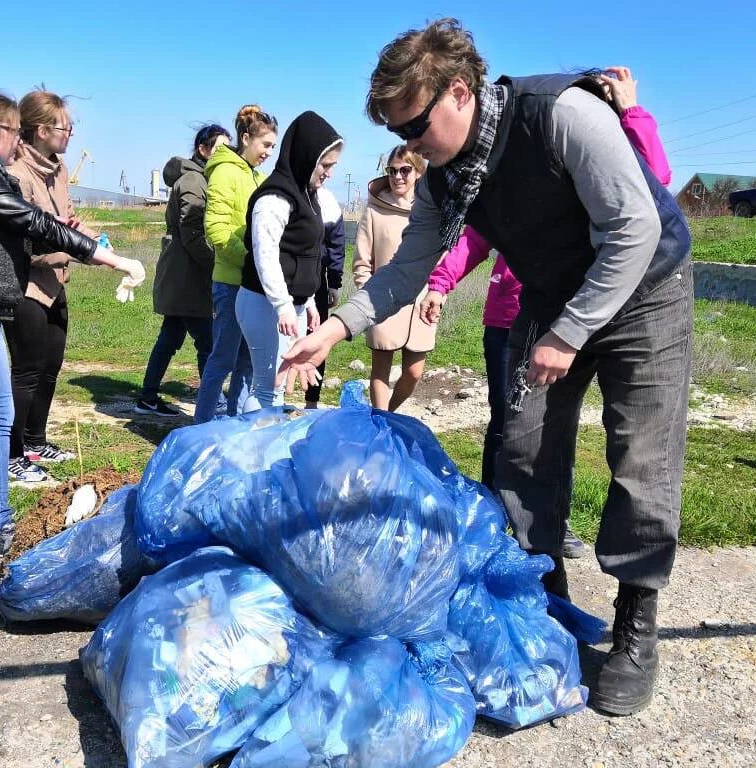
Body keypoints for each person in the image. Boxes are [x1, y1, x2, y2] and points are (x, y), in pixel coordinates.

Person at [280, 20, 692, 717]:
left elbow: (635, 228)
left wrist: (566, 334)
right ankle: (540, 596)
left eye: (414, 126)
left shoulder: (562, 115)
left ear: (460, 93)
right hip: (552, 292)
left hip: (643, 288)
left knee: (642, 460)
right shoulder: (448, 175)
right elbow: (410, 266)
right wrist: (336, 328)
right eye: (397, 133)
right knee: (523, 449)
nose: (409, 146)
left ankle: (635, 625)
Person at [422, 66, 673, 563]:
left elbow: (650, 192)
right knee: (521, 433)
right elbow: (473, 236)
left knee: (636, 452)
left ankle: (632, 608)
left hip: (628, 297)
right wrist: (439, 281)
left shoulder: (586, 132)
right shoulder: (491, 172)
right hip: (527, 308)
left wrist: (631, 112)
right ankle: (534, 559)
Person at [0, 89, 145, 558]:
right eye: (15, 133)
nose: (19, 142)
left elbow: (24, 224)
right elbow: (29, 221)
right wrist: (103, 255)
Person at [3, 89, 92, 485]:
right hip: (27, 288)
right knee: (25, 371)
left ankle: (36, 439)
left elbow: (67, 219)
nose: (70, 133)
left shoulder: (58, 169)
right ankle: (12, 453)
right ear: (41, 130)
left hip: (56, 281)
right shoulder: (17, 174)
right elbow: (25, 241)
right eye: (64, 126)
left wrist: (95, 241)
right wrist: (66, 240)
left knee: (51, 364)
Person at [236, 111, 342, 410]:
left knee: (278, 388)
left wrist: (307, 301)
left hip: (289, 305)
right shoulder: (274, 198)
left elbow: (305, 253)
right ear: (307, 157)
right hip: (264, 303)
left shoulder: (308, 195)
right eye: (325, 164)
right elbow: (266, 255)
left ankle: (264, 449)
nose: (329, 173)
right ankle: (255, 451)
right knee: (268, 387)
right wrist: (283, 305)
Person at [136, 124, 232, 416]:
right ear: (203, 149)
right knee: (207, 341)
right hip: (187, 276)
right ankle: (213, 403)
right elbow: (192, 232)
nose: (226, 154)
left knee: (170, 337)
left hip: (183, 275)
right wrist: (216, 264)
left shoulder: (200, 178)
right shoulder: (193, 181)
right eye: (220, 148)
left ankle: (148, 398)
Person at [193, 106, 278, 422]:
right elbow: (216, 228)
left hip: (254, 284)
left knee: (247, 362)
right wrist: (250, 261)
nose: (269, 152)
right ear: (246, 138)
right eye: (265, 145)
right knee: (223, 359)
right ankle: (201, 428)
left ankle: (236, 427)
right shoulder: (226, 172)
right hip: (231, 282)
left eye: (273, 147)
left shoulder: (258, 175)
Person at [352, 145, 434, 411]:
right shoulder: (374, 212)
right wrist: (369, 296)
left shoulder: (431, 210)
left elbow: (443, 255)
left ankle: (387, 415)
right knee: (380, 372)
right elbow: (362, 262)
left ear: (418, 172)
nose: (397, 176)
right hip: (381, 301)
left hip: (421, 304)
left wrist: (438, 291)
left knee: (414, 373)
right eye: (392, 171)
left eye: (405, 170)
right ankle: (381, 426)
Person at [301, 185, 345, 409]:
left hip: (317, 280)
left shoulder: (327, 200)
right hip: (285, 279)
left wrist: (334, 283)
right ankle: (273, 397)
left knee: (316, 341)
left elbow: (337, 244)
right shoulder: (282, 193)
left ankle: (311, 403)